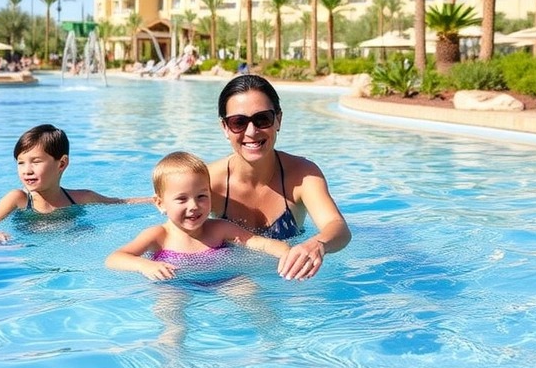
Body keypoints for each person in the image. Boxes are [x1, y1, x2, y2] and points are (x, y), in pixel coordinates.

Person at [209, 74, 352, 281]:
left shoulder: (303, 174)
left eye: (262, 119)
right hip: (231, 283)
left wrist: (317, 244)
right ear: (225, 128)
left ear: (278, 120)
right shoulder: (209, 181)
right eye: (238, 122)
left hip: (289, 282)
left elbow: (338, 228)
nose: (251, 132)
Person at [106, 151, 289, 281]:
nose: (193, 206)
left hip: (223, 279)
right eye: (182, 199)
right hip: (174, 284)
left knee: (250, 291)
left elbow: (260, 242)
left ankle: (269, 330)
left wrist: (288, 253)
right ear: (160, 203)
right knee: (170, 309)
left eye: (202, 197)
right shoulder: (158, 236)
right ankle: (171, 335)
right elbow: (115, 258)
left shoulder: (219, 229)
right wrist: (145, 266)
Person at [0, 124, 143, 244]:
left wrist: (155, 199)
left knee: (86, 230)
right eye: (20, 163)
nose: (27, 170)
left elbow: (119, 203)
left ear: (61, 164)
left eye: (36, 161)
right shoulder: (18, 199)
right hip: (28, 245)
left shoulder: (81, 198)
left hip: (69, 243)